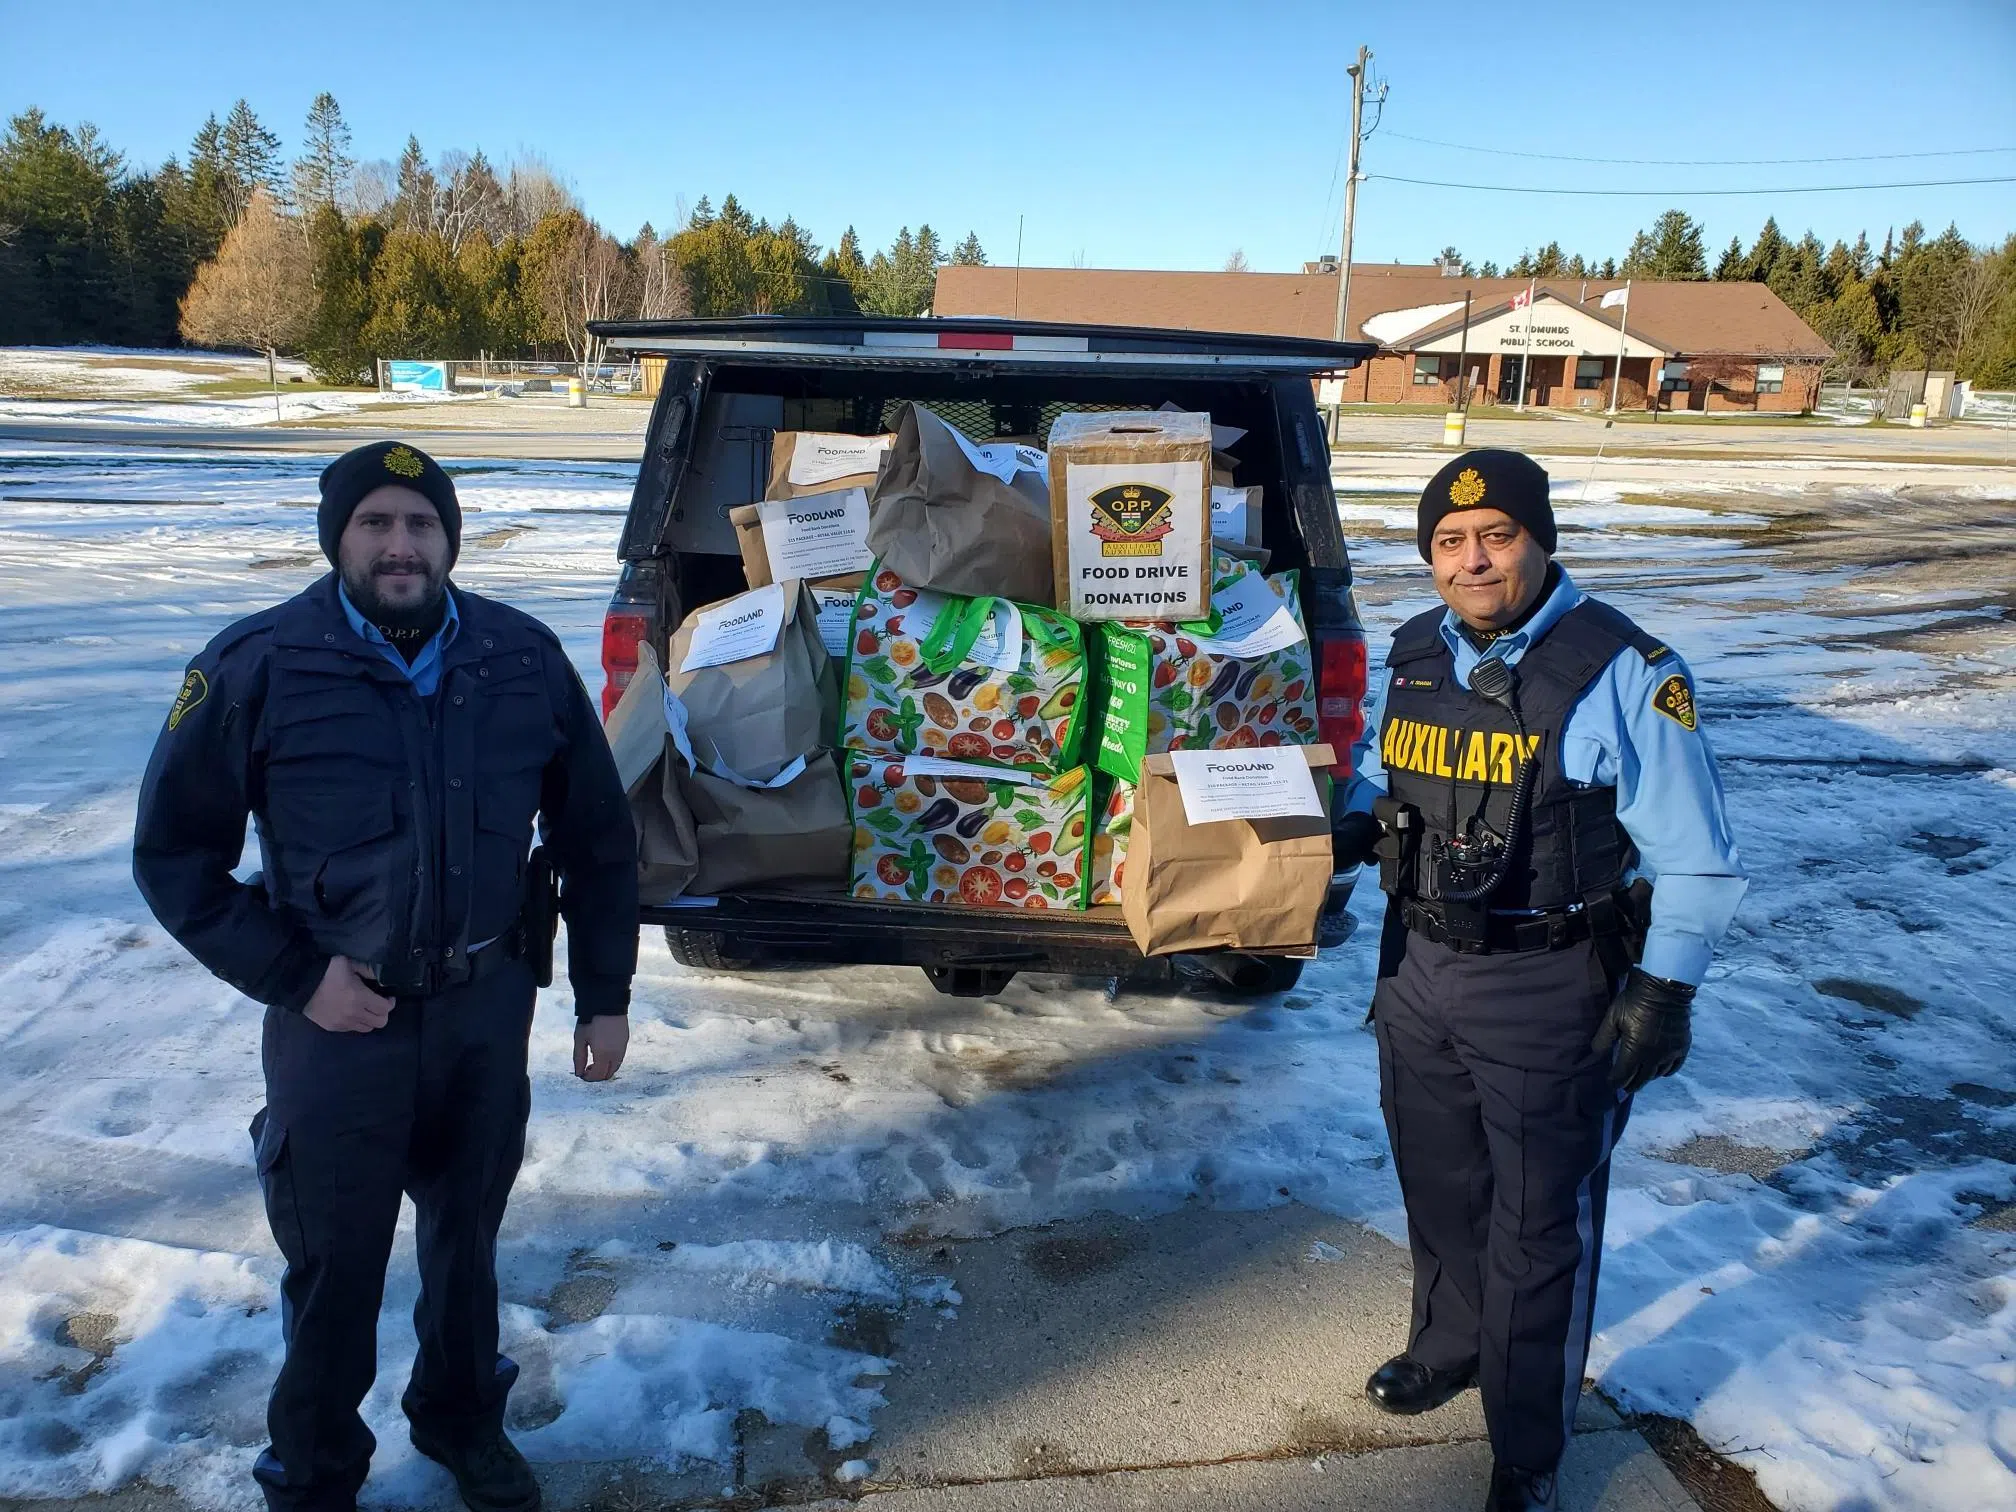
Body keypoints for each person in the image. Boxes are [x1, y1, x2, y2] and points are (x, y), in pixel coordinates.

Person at [133, 440, 639, 1512]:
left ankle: (462, 1421)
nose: (401, 546)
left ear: (449, 538)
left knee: (468, 1251)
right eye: (376, 524)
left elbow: (597, 836)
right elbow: (175, 857)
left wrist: (605, 996)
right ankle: (313, 1470)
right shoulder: (257, 666)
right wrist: (295, 976)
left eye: (421, 524)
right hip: (336, 1024)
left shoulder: (520, 656)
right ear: (339, 539)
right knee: (334, 1265)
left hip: (485, 1009)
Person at [1334, 449, 1746, 1512]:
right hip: (1419, 964)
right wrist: (1346, 818)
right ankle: (1449, 1344)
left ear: (1541, 537)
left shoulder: (1623, 668)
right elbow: (1394, 775)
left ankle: (1528, 1446)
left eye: (1497, 535)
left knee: (1536, 1223)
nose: (1473, 560)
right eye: (1448, 542)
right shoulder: (1419, 649)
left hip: (1551, 977)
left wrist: (1666, 990)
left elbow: (1697, 854)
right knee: (1441, 1184)